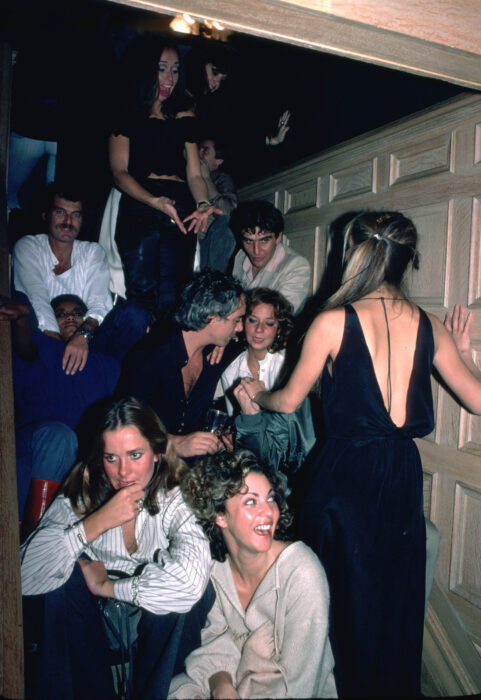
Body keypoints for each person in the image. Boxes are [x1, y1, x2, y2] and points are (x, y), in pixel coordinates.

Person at [238, 210, 481, 697]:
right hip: (400, 475)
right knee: (390, 599)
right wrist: (466, 353)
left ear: (353, 252)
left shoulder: (332, 321)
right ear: (407, 260)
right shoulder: (430, 325)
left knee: (336, 599)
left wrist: (257, 392)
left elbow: (287, 401)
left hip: (345, 473)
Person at [21, 397, 213, 700]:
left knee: (193, 592)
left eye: (135, 455)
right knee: (60, 580)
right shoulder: (82, 493)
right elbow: (21, 577)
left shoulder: (177, 497)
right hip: (91, 631)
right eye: (111, 458)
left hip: (152, 629)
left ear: (157, 453)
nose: (123, 472)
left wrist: (107, 586)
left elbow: (189, 584)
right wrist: (94, 524)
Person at [169, 450, 337, 699]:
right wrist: (222, 686)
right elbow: (215, 640)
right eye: (251, 501)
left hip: (286, 693)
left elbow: (302, 684)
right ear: (220, 516)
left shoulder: (302, 572)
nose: (268, 512)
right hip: (235, 683)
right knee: (173, 689)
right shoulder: (214, 570)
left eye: (271, 498)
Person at [109, 38, 220, 321]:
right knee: (142, 294)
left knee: (175, 297)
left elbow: (194, 173)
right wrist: (154, 201)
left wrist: (203, 203)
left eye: (175, 69)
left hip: (179, 204)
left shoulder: (185, 112)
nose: (170, 78)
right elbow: (119, 172)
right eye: (162, 69)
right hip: (140, 201)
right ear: (147, 70)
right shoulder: (127, 111)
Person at [1, 293, 119, 534]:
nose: (70, 318)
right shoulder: (45, 349)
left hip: (76, 462)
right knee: (60, 437)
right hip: (31, 446)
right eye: (61, 314)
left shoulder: (106, 365)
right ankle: (37, 539)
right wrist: (22, 318)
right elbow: (25, 344)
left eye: (77, 313)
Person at [12, 182, 150, 369]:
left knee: (135, 313)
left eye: (76, 215)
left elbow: (99, 303)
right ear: (46, 215)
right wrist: (56, 347)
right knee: (24, 311)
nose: (68, 221)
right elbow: (37, 297)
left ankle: (118, 379)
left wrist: (82, 337)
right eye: (60, 212)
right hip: (44, 342)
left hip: (88, 342)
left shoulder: (92, 252)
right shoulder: (28, 247)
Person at [118, 270, 245, 460]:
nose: (240, 327)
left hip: (195, 465)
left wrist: (229, 430)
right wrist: (171, 443)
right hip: (149, 461)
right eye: (236, 320)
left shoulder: (218, 350)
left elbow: (262, 335)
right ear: (212, 318)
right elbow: (122, 423)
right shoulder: (151, 355)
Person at [220, 287, 293, 415]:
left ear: (279, 329)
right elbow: (234, 420)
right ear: (242, 322)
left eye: (269, 323)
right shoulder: (230, 370)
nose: (259, 329)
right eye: (253, 320)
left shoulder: (287, 366)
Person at [230, 200, 311, 313]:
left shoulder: (296, 266)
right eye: (249, 241)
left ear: (278, 237)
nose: (256, 250)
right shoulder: (241, 256)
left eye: (264, 240)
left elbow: (279, 316)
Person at [197, 137, 237, 272]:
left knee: (226, 223)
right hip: (187, 238)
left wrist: (206, 178)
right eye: (199, 149)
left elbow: (228, 211)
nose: (199, 154)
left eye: (205, 151)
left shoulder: (222, 179)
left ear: (218, 160)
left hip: (208, 243)